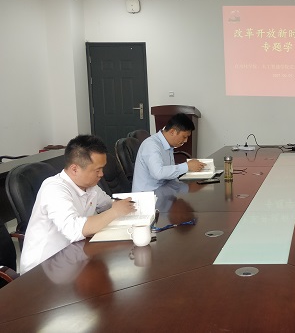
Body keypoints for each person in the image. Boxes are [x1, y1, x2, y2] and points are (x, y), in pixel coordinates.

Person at [20, 135, 135, 274]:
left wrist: (126, 206)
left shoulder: (90, 186)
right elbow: (73, 229)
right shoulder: (54, 189)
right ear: (74, 169)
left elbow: (107, 204)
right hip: (42, 270)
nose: (101, 174)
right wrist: (115, 212)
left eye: (102, 169)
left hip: (73, 257)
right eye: (97, 170)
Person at [132, 113, 205, 192]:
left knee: (195, 190)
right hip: (148, 195)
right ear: (172, 132)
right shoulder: (151, 145)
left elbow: (169, 175)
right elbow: (158, 173)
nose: (186, 140)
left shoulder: (168, 144)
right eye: (184, 136)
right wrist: (187, 166)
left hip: (163, 189)